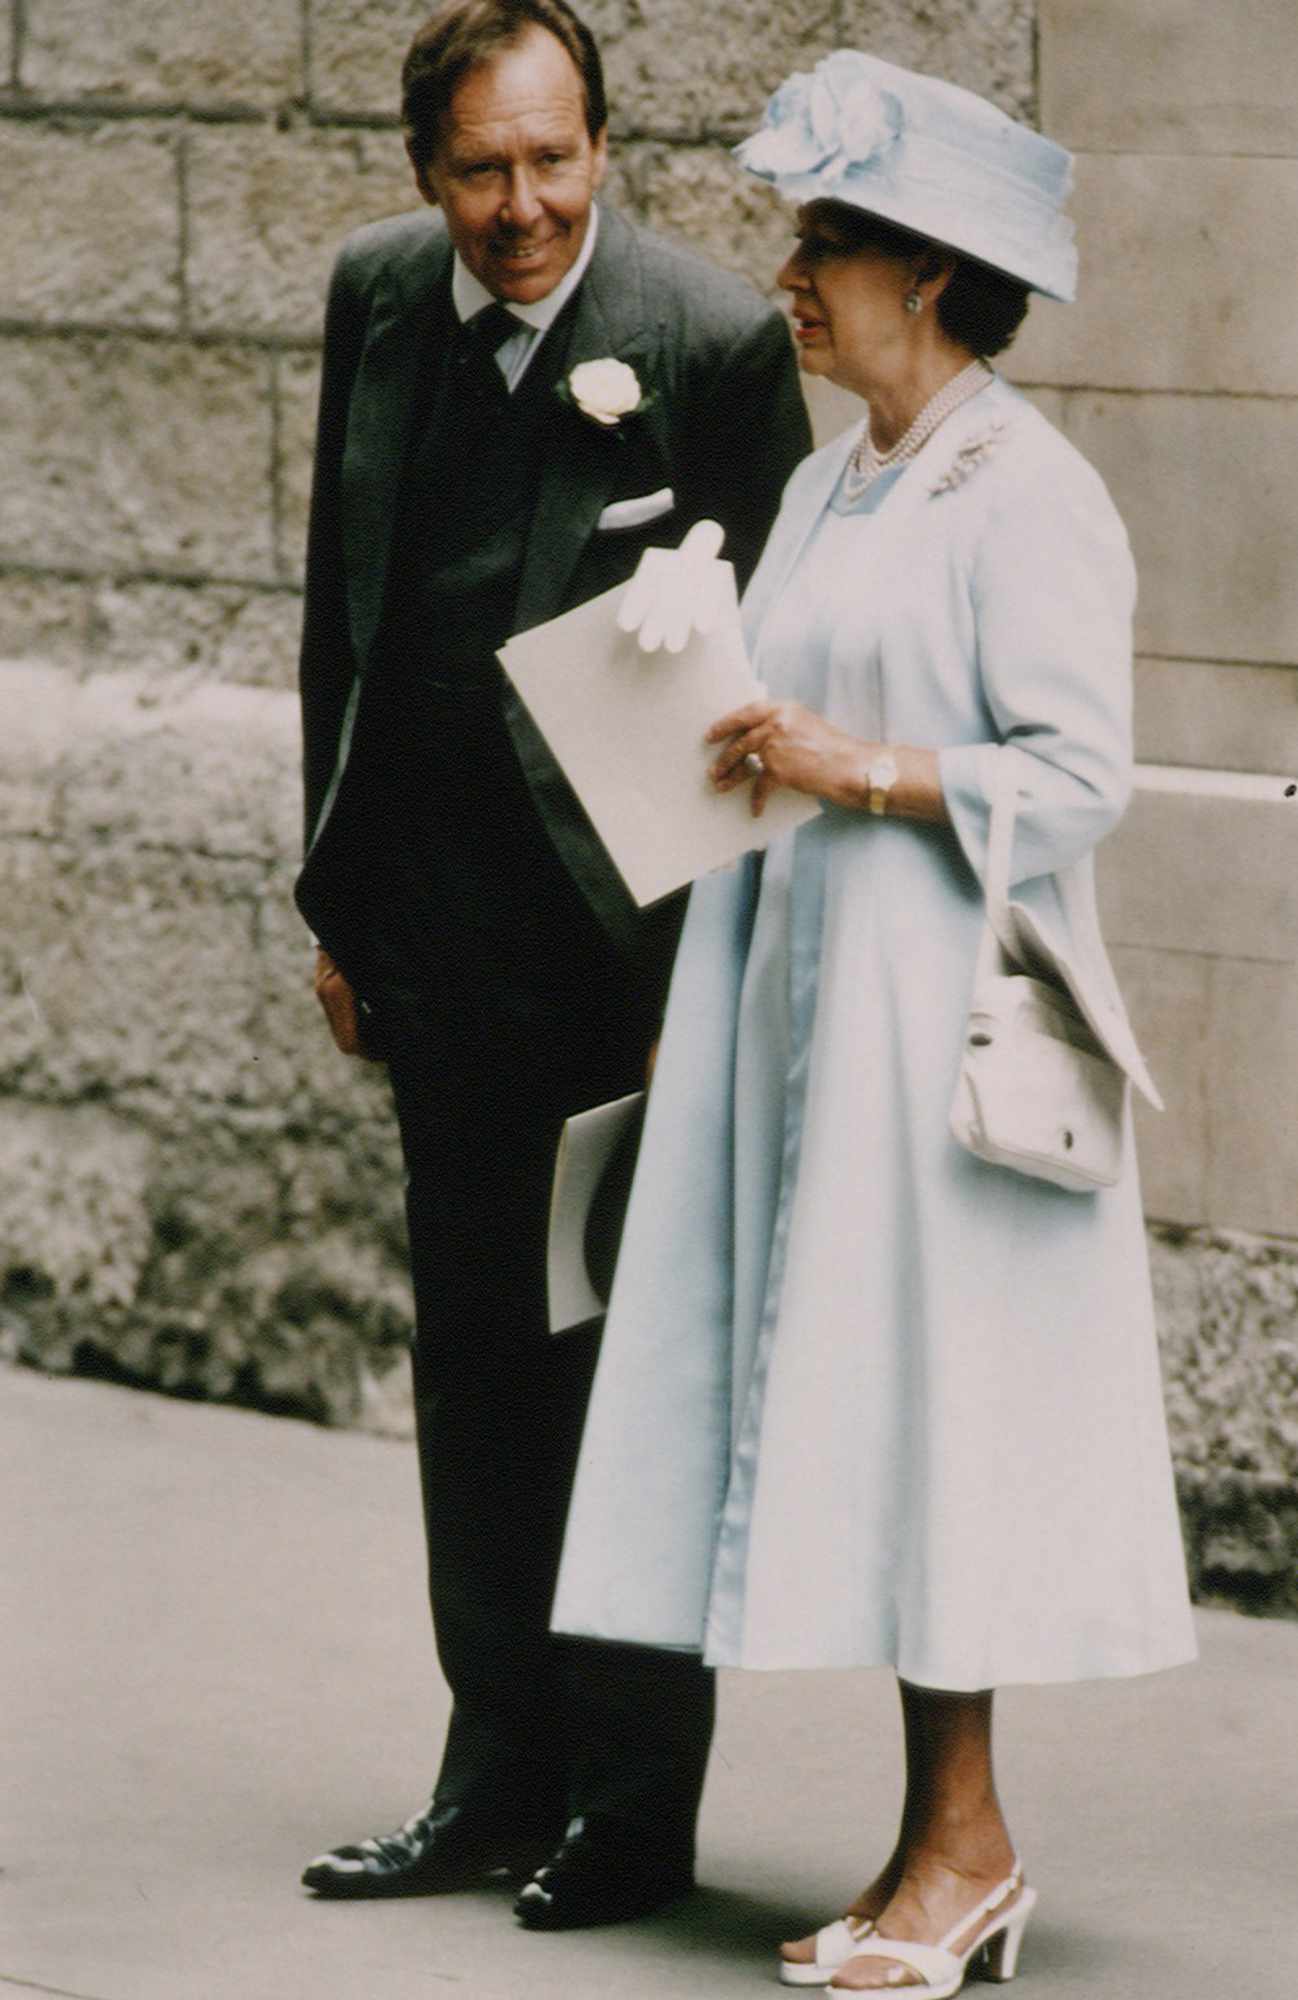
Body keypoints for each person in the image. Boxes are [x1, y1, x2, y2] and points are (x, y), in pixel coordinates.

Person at [551, 49, 1197, 1993]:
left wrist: (862, 767)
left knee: (946, 1425)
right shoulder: (835, 478)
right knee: (858, 1418)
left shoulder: (1030, 487)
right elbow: (785, 725)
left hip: (940, 1037)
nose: (790, 272)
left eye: (823, 240)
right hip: (797, 1007)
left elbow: (1080, 774)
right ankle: (932, 1845)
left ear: (923, 272)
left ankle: (967, 1849)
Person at [293, 0, 810, 1933]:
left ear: (603, 143)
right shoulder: (374, 298)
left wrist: (710, 986)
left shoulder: (703, 340)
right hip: (428, 936)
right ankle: (486, 1768)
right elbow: (336, 605)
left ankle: (628, 1803)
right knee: (474, 1373)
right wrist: (334, 899)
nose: (525, 206)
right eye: (484, 169)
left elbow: (758, 683)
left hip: (621, 960)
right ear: (423, 170)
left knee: (619, 1373)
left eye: (556, 158)